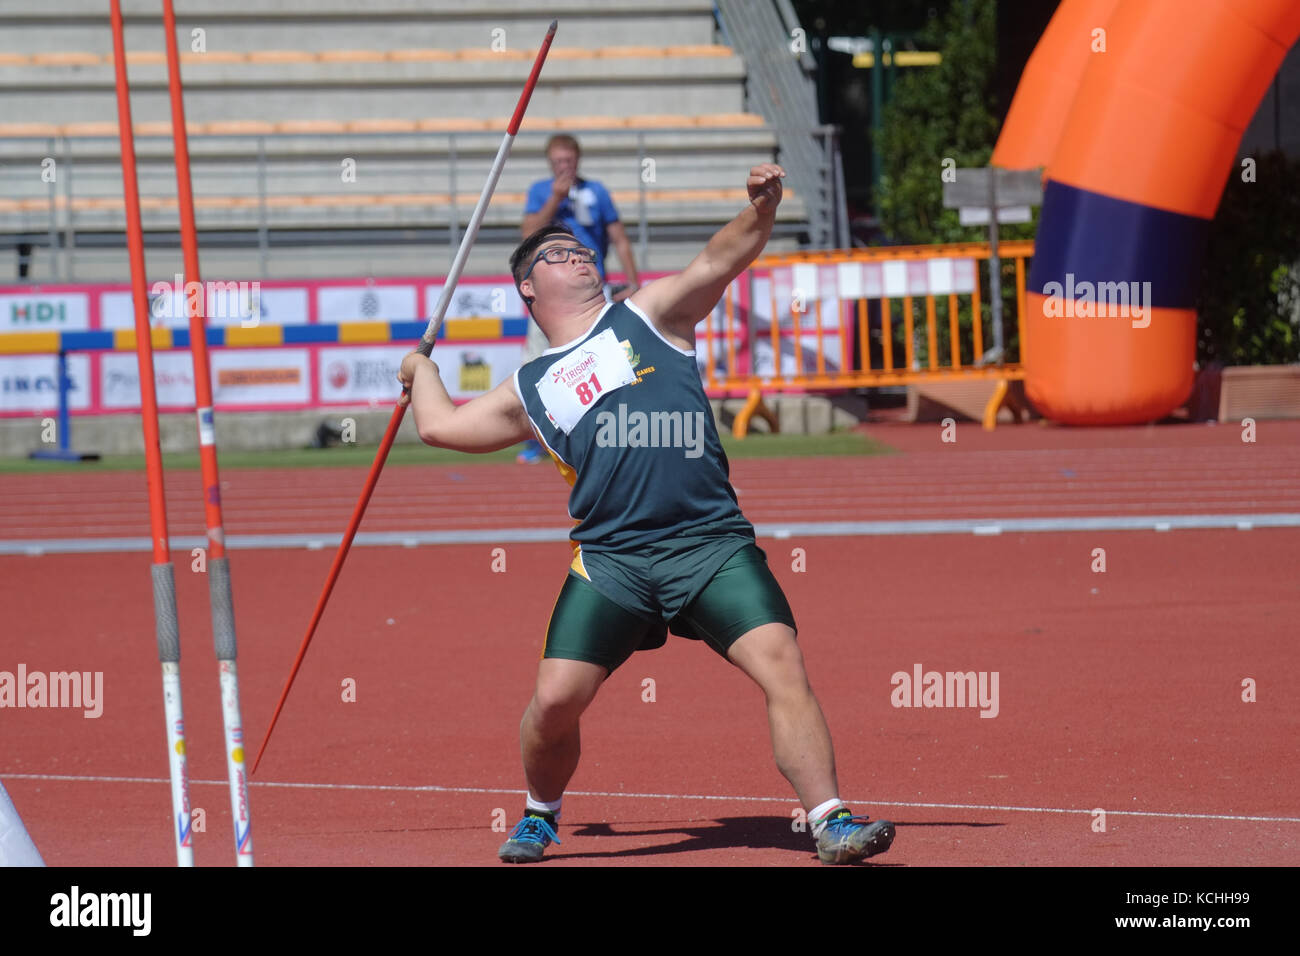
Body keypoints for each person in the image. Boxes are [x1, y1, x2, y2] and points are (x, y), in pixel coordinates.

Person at [397, 163, 895, 866]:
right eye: (557, 254)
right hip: (612, 560)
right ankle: (541, 813)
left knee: (781, 663)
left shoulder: (647, 314)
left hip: (709, 544)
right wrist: (424, 374)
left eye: (581, 249)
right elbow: (441, 428)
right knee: (554, 702)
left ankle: (830, 820)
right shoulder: (530, 386)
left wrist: (761, 209)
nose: (578, 255)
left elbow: (721, 257)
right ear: (528, 288)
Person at [516, 134, 642, 463]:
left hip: (591, 290)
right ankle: (536, 439)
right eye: (558, 161)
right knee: (537, 362)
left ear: (578, 160)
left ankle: (604, 433)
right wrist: (555, 198)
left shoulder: (596, 191)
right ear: (549, 163)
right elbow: (528, 233)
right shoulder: (540, 191)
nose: (564, 167)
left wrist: (633, 281)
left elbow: (620, 239)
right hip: (552, 293)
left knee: (599, 361)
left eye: (568, 160)